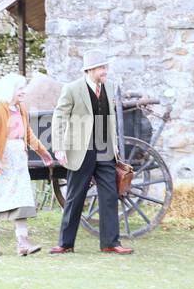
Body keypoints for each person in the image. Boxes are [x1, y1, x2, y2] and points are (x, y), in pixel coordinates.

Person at [49, 48, 132, 255]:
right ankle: (65, 243)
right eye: (102, 67)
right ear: (90, 70)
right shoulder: (72, 89)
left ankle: (110, 243)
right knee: (75, 197)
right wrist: (59, 146)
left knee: (110, 196)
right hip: (81, 150)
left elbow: (110, 116)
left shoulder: (110, 87)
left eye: (105, 67)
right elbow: (59, 117)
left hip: (105, 150)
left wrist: (115, 145)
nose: (105, 71)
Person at [0, 74, 53, 257]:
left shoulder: (20, 108)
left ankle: (23, 243)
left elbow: (27, 134)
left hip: (18, 161)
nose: (24, 92)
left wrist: (42, 152)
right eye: (20, 88)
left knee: (22, 199)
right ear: (10, 90)